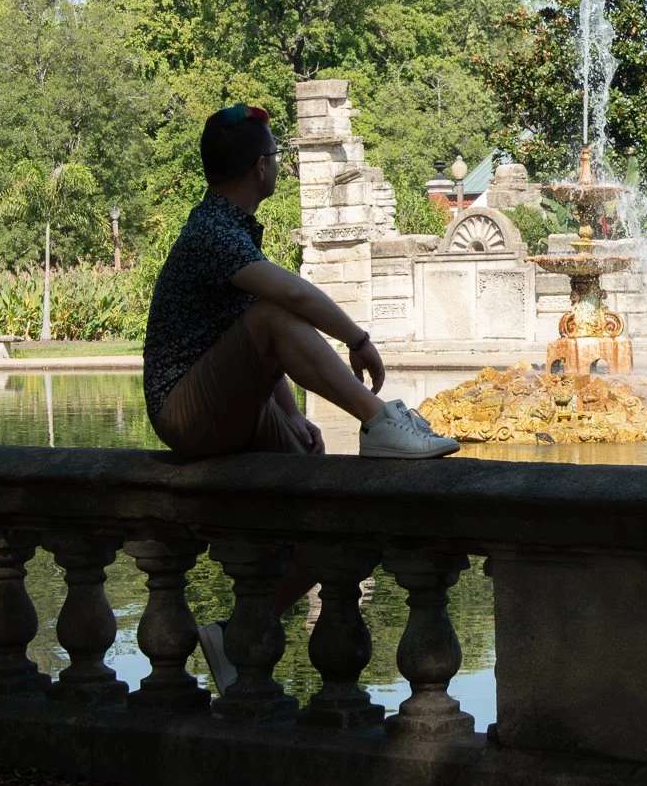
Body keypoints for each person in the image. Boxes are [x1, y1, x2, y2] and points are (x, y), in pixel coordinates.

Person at [142, 102, 458, 689]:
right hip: (183, 412)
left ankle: (235, 631)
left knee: (336, 521)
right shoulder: (212, 231)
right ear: (262, 168)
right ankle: (380, 421)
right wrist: (358, 339)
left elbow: (244, 346)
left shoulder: (228, 228)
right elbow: (285, 302)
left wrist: (288, 416)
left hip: (230, 410)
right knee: (273, 312)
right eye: (277, 158)